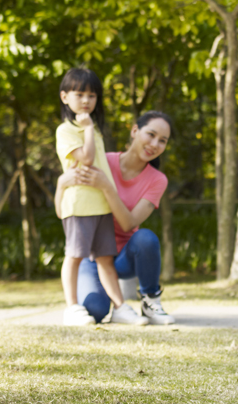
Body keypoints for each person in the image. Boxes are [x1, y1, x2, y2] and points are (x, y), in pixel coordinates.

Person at [55, 111, 176, 326]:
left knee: (146, 239)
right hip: (94, 255)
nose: (155, 144)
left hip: (123, 257)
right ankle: (114, 305)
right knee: (95, 311)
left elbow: (129, 224)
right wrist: (61, 183)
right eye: (151, 134)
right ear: (134, 131)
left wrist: (106, 187)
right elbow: (70, 203)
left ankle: (150, 302)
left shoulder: (158, 180)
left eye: (162, 141)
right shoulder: (104, 161)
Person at [54, 67, 149, 326]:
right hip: (79, 205)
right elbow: (84, 158)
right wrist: (86, 128)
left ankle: (120, 307)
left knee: (106, 258)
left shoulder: (92, 130)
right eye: (80, 94)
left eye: (92, 95)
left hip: (101, 205)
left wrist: (88, 129)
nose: (86, 100)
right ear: (65, 97)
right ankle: (71, 308)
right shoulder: (67, 130)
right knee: (74, 255)